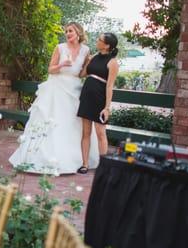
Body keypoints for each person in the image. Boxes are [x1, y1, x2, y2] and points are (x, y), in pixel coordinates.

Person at [9, 23, 99, 175]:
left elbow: (81, 74)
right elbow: (50, 69)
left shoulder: (86, 50)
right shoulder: (60, 48)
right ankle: (47, 158)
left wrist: (89, 66)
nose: (67, 33)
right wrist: (62, 64)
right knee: (54, 122)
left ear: (78, 32)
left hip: (74, 90)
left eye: (70, 31)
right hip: (57, 89)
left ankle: (77, 160)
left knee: (73, 124)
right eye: (66, 31)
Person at [77, 32, 120, 174]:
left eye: (100, 40)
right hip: (86, 97)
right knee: (86, 133)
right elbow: (82, 74)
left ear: (107, 45)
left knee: (101, 133)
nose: (97, 41)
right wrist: (86, 61)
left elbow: (109, 86)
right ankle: (85, 164)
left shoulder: (112, 62)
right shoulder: (94, 57)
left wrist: (107, 108)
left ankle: (104, 167)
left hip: (99, 99)